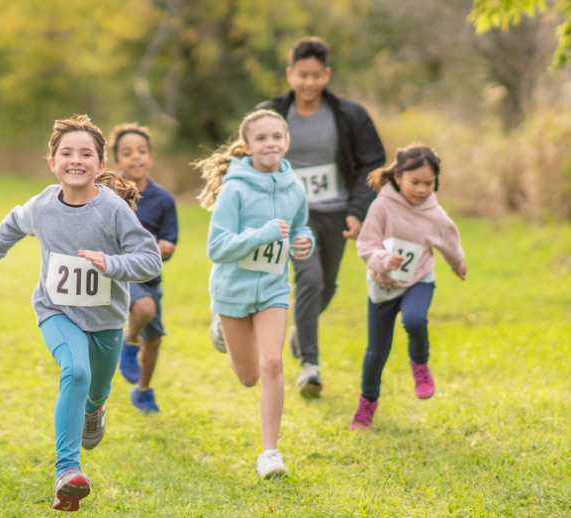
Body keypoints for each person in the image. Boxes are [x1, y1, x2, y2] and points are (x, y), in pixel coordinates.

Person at [0, 115, 162, 512]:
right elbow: (10, 227)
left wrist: (110, 263)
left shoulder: (113, 209)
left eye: (86, 153)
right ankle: (67, 472)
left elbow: (150, 260)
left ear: (100, 163)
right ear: (52, 162)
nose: (76, 160)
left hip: (106, 320)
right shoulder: (42, 206)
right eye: (66, 153)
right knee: (77, 370)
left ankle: (94, 410)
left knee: (97, 385)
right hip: (56, 310)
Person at [257, 36, 386, 399]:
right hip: (294, 215)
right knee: (310, 278)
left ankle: (303, 328)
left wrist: (358, 211)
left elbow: (371, 163)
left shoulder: (350, 115)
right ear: (290, 74)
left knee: (326, 285)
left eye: (316, 75)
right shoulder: (271, 113)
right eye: (302, 75)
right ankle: (310, 365)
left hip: (335, 211)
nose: (309, 83)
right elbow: (248, 156)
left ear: (326, 74)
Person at [196, 109, 315, 479]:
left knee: (273, 364)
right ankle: (221, 328)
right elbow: (217, 247)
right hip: (232, 290)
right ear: (247, 146)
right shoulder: (235, 187)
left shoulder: (295, 187)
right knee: (248, 377)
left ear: (287, 141)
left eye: (276, 137)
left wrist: (303, 242)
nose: (270, 144)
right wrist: (263, 233)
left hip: (274, 289)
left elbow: (301, 228)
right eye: (261, 138)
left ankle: (270, 453)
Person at [349, 145, 466, 430]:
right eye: (415, 182)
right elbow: (366, 245)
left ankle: (420, 365)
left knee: (415, 319)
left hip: (418, 280)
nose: (422, 189)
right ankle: (367, 404)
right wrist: (384, 259)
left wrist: (457, 263)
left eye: (429, 183)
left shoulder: (435, 214)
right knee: (376, 353)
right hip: (383, 285)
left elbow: (448, 240)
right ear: (399, 177)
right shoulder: (382, 207)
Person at [108, 123, 178, 414]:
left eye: (142, 151)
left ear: (150, 157)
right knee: (145, 309)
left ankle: (144, 390)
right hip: (113, 272)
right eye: (127, 153)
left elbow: (169, 242)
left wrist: (164, 248)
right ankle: (129, 341)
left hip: (147, 274)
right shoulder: (106, 192)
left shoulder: (163, 199)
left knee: (155, 337)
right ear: (116, 161)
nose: (135, 157)